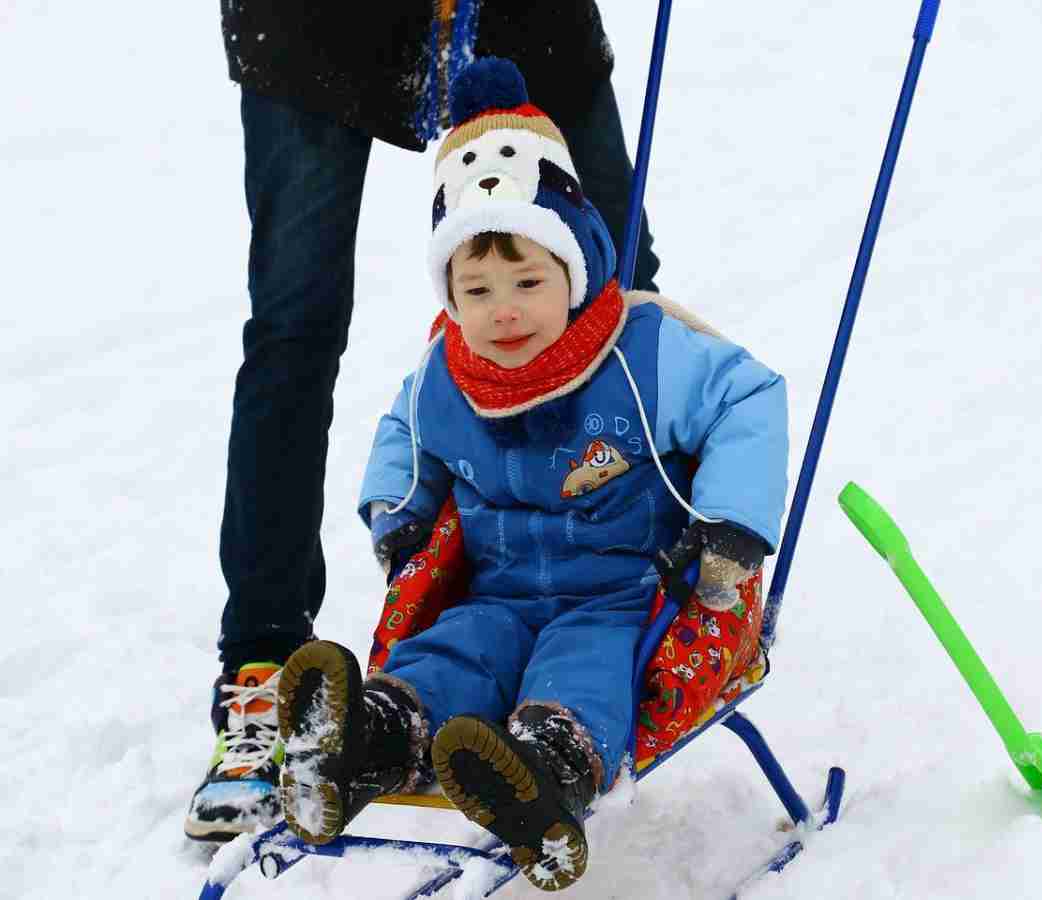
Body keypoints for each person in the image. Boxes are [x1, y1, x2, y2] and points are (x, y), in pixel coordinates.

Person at [274, 58, 788, 891]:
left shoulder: (644, 353)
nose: (503, 308)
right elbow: (404, 431)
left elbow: (750, 397)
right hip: (498, 593)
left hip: (623, 594)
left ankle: (544, 771)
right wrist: (399, 510)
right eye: (475, 288)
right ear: (450, 292)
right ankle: (364, 740)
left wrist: (729, 523)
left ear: (577, 266)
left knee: (584, 670)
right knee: (451, 655)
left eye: (527, 280)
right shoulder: (449, 371)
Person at [185, 2, 662, 842]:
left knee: (613, 285)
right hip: (310, 27)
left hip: (522, 14)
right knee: (294, 326)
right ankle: (262, 665)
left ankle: (638, 603)